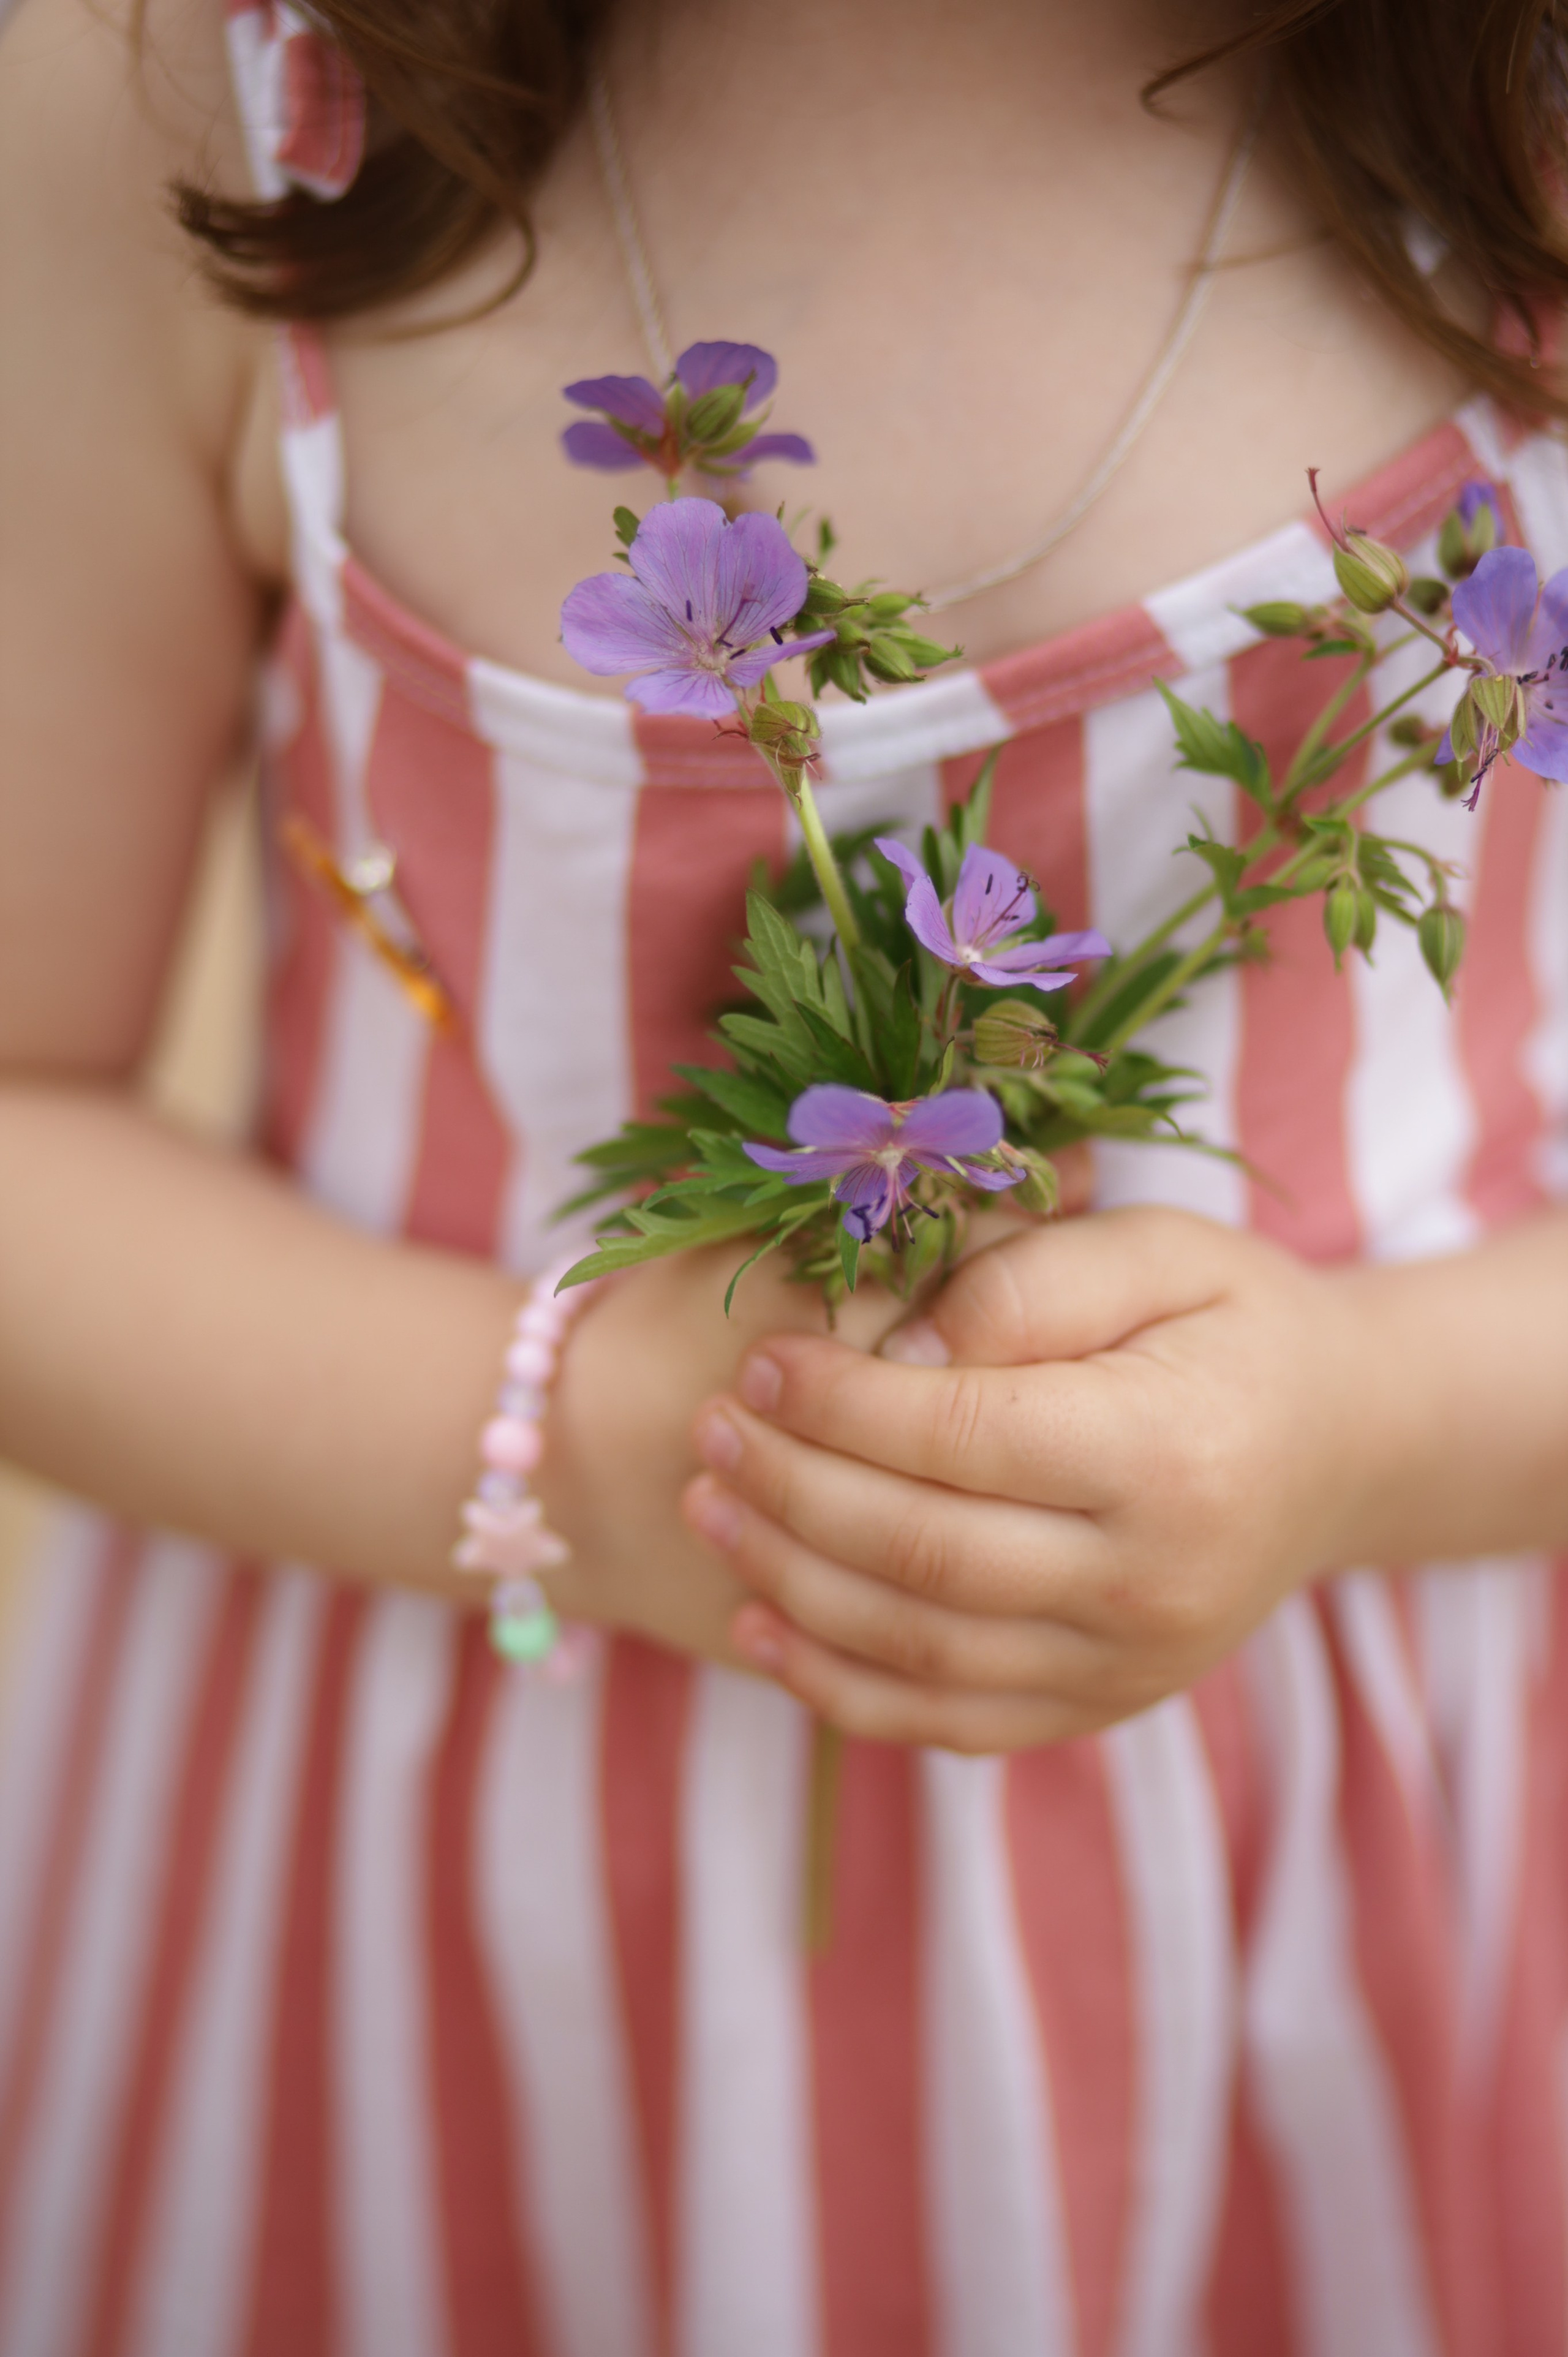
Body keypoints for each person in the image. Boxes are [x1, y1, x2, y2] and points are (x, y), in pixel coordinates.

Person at [3, 0, 1567, 2347]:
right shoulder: (193, 89)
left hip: (1366, 1869)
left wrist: (1364, 1430)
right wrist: (560, 1446)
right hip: (453, 1853)